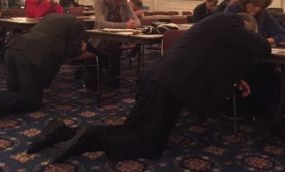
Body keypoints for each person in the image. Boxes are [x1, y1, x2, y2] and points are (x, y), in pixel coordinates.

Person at [26, 13, 271, 161]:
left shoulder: (212, 29)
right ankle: (87, 140)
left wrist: (235, 78)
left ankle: (62, 133)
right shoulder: (230, 22)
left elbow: (213, 64)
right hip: (169, 87)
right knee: (150, 145)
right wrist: (264, 39)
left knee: (129, 129)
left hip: (155, 78)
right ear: (245, 28)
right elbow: (263, 48)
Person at [0, 14, 86, 125]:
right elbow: (72, 51)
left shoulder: (51, 16)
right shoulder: (77, 24)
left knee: (15, 92)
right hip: (31, 54)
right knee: (32, 100)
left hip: (13, 47)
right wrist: (82, 48)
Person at [86, 0, 140, 89]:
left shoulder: (124, 4)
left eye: (123, 0)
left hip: (115, 43)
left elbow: (137, 21)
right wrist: (125, 25)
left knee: (114, 85)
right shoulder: (100, 2)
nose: (120, 2)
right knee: (93, 85)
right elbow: (101, 23)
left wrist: (134, 23)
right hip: (98, 42)